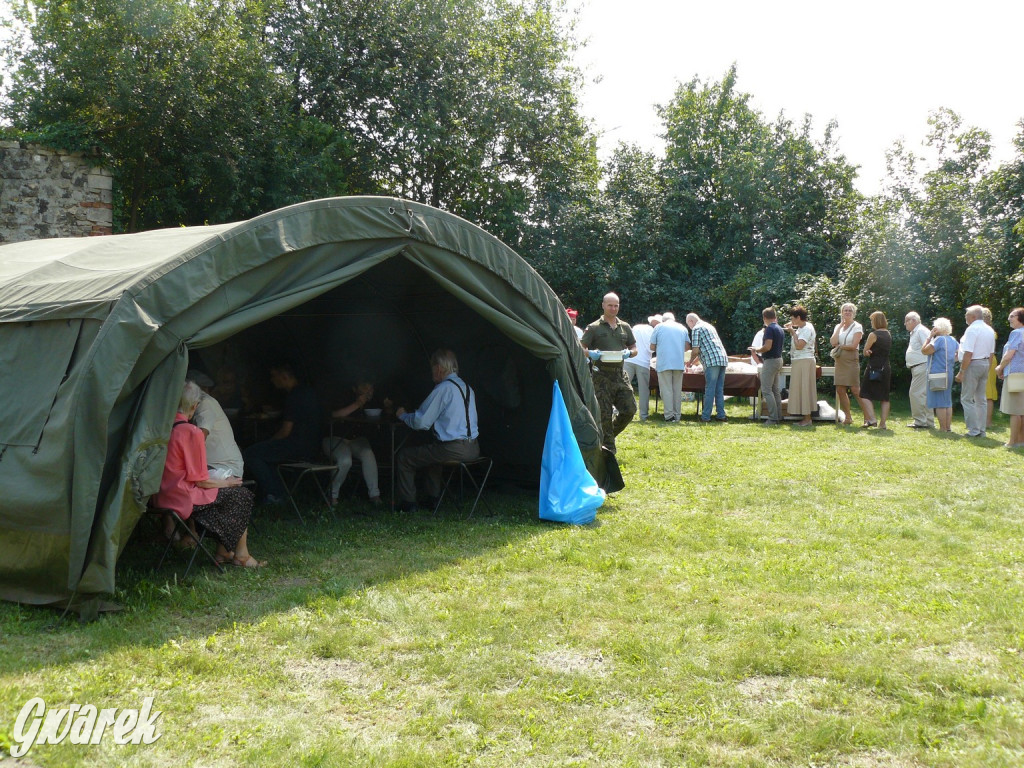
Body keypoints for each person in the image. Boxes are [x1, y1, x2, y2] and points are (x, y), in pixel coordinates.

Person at [155, 381, 264, 567]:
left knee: (228, 497)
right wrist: (227, 483)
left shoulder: (162, 429)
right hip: (184, 499)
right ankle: (241, 555)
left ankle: (223, 551)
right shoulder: (191, 432)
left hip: (163, 498)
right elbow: (201, 481)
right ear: (195, 406)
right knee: (240, 495)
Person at [395, 349, 479, 512]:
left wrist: (403, 415)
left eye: (432, 368)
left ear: (439, 368)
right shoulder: (467, 388)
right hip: (473, 448)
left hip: (453, 449)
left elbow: (421, 422)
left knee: (405, 457)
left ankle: (408, 503)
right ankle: (433, 499)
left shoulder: (443, 389)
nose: (431, 372)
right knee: (433, 452)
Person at [243, 363, 322, 504]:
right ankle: (279, 491)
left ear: (285, 376)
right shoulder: (307, 392)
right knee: (266, 454)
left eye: (274, 376)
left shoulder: (294, 396)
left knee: (251, 454)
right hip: (313, 444)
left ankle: (276, 493)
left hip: (297, 446)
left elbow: (285, 431)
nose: (272, 380)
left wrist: (271, 441)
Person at [581, 292, 638, 452]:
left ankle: (608, 436)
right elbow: (580, 347)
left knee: (629, 409)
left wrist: (630, 353)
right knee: (604, 414)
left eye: (616, 305)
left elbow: (634, 348)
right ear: (603, 306)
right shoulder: (594, 327)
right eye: (610, 305)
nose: (613, 308)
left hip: (620, 373)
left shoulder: (624, 327)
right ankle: (609, 451)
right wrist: (591, 353)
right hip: (601, 375)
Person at [323, 380, 382, 508]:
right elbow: (333, 415)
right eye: (364, 386)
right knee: (345, 460)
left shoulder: (372, 402)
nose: (368, 389)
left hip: (356, 439)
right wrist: (357, 404)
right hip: (335, 438)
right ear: (354, 388)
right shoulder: (343, 397)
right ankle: (332, 496)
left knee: (368, 454)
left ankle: (374, 495)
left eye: (370, 386)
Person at [187, 369, 244, 479]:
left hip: (222, 468)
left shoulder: (204, 402)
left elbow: (200, 437)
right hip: (211, 466)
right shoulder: (193, 403)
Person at [955, 305, 996, 438]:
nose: (965, 317)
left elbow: (968, 353)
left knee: (967, 398)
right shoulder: (989, 329)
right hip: (985, 363)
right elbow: (991, 353)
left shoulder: (972, 329)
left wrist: (962, 371)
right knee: (981, 399)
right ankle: (981, 430)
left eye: (967, 314)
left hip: (973, 363)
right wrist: (987, 368)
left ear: (973, 316)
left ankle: (973, 430)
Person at [685, 313, 729, 423]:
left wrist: (689, 362)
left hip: (711, 362)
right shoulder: (709, 326)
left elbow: (695, 350)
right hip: (722, 359)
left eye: (688, 325)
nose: (689, 328)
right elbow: (706, 349)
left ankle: (705, 417)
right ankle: (721, 415)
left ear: (691, 321)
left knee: (710, 389)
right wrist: (693, 362)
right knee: (719, 389)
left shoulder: (696, 328)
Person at [829, 303, 867, 426]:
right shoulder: (838, 326)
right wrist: (840, 326)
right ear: (842, 312)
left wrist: (840, 346)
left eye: (850, 310)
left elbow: (854, 346)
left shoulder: (857, 326)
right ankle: (848, 417)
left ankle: (868, 417)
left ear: (853, 313)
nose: (847, 312)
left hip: (851, 359)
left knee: (855, 389)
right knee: (840, 389)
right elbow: (833, 342)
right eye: (845, 310)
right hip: (840, 360)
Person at [649, 312, 689, 422]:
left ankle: (669, 416)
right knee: (677, 390)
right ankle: (677, 415)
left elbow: (652, 347)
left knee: (666, 389)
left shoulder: (659, 327)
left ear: (663, 319)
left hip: (664, 362)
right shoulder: (682, 328)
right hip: (678, 363)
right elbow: (686, 347)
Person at [923, 317, 959, 433]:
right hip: (949, 371)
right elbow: (959, 354)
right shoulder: (952, 340)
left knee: (939, 402)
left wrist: (929, 336)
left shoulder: (938, 340)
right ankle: (948, 427)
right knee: (947, 401)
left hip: (937, 373)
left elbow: (924, 351)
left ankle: (942, 428)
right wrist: (951, 360)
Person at [995, 307, 1024, 448]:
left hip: (1015, 375)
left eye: (1012, 315)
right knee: (1022, 411)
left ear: (1021, 318)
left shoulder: (1016, 333)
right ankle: (1020, 440)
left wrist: (999, 368)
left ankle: (1012, 442)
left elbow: (1009, 355)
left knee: (1015, 410)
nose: (1009, 318)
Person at [751, 307, 784, 425]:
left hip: (770, 361)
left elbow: (767, 346)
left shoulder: (769, 329)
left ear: (764, 318)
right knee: (775, 390)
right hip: (779, 359)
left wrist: (757, 349)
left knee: (766, 389)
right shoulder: (779, 328)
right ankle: (779, 416)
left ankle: (773, 418)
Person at [784, 306, 816, 427]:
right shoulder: (802, 327)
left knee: (805, 389)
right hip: (799, 360)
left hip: (805, 361)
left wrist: (792, 332)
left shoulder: (807, 328)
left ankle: (807, 419)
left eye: (793, 318)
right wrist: (793, 328)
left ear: (798, 317)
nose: (791, 320)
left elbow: (799, 346)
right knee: (800, 389)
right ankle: (805, 418)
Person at [860, 311, 893, 429]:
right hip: (886, 367)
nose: (871, 323)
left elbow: (865, 351)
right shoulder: (888, 334)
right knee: (884, 397)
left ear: (876, 321)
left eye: (871, 320)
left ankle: (872, 419)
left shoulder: (873, 334)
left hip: (874, 367)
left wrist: (867, 352)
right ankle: (883, 424)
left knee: (864, 393)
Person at [626, 314, 660, 420]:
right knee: (644, 390)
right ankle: (643, 415)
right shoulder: (654, 332)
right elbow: (651, 349)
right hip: (643, 362)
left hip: (628, 359)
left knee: (622, 387)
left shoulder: (636, 327)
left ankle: (618, 411)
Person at [903, 311, 933, 428]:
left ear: (913, 321)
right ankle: (927, 421)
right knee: (923, 394)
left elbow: (929, 347)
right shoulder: (916, 331)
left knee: (915, 393)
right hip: (919, 366)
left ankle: (920, 421)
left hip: (922, 365)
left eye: (906, 321)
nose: (905, 324)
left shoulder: (921, 331)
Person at [982, 307, 999, 428]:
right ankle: (981, 421)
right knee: (982, 393)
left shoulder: (989, 331)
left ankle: (987, 422)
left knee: (988, 393)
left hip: (989, 360)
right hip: (986, 360)